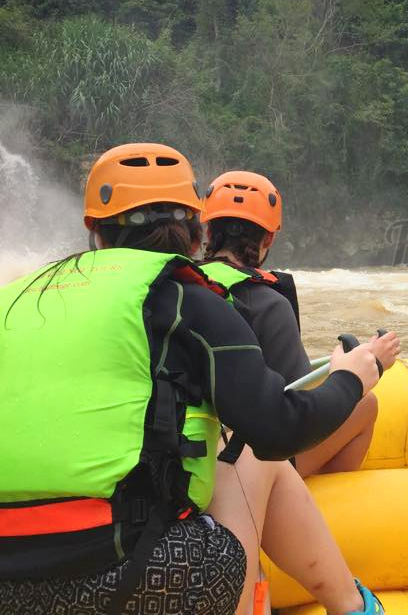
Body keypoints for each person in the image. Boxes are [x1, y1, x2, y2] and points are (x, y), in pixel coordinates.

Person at [0, 144, 383, 615]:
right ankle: (353, 607)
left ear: (94, 231)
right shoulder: (189, 298)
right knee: (245, 451)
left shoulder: (15, 295)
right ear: (196, 231)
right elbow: (277, 428)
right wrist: (350, 379)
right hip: (125, 574)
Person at [198, 170, 398, 475]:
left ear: (208, 231)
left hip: (185, 451)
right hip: (244, 461)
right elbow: (302, 404)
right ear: (269, 237)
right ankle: (320, 497)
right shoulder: (268, 304)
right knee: (365, 405)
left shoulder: (179, 285)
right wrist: (355, 371)